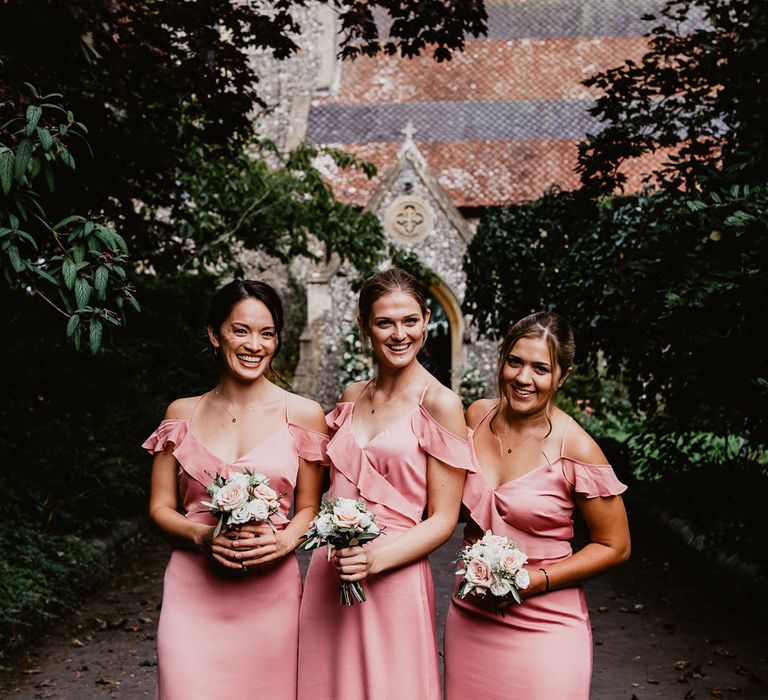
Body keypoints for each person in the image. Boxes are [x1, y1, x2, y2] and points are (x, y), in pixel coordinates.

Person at [143, 280, 327, 699]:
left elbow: (310, 508)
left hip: (271, 599)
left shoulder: (304, 414)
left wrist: (284, 543)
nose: (254, 345)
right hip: (192, 597)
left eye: (267, 333)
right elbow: (159, 508)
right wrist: (201, 535)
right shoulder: (180, 414)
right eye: (240, 330)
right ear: (214, 333)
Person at [298, 268, 472, 700]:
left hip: (392, 573)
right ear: (364, 326)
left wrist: (375, 562)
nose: (399, 334)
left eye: (410, 321)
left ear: (427, 319)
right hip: (331, 569)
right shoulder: (351, 395)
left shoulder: (441, 403)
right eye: (385, 322)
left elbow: (443, 519)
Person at [444, 311, 630, 699]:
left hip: (546, 625)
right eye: (515, 362)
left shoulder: (575, 448)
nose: (523, 378)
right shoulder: (476, 417)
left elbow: (616, 546)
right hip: (471, 614)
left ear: (562, 377)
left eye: (540, 368)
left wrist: (533, 581)